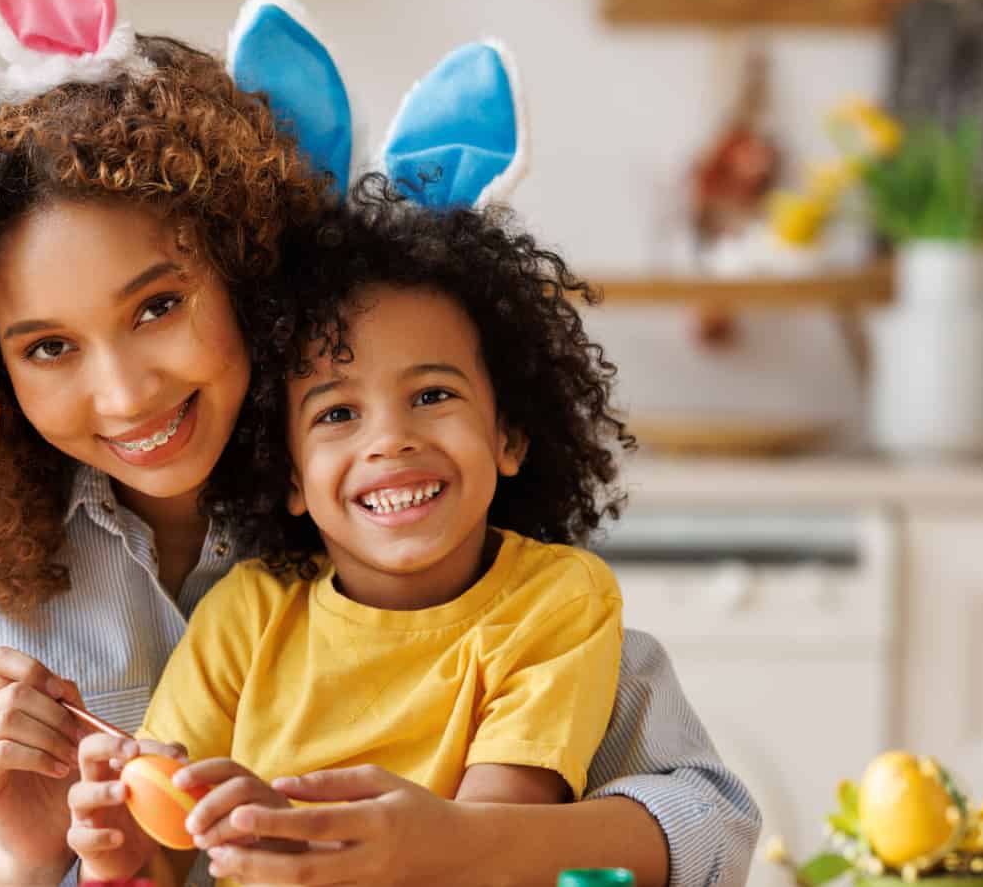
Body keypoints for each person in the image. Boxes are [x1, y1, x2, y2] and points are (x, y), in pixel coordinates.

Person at [0, 0, 760, 885]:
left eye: (157, 308)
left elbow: (707, 817)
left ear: (240, 270)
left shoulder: (389, 503)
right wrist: (27, 859)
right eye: (49, 347)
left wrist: (463, 842)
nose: (124, 393)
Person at [68, 179, 628, 885]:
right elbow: (165, 847)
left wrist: (300, 838)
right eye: (336, 415)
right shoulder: (246, 615)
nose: (390, 440)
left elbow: (491, 840)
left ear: (509, 436)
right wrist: (118, 854)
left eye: (432, 396)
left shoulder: (555, 598)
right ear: (292, 476)